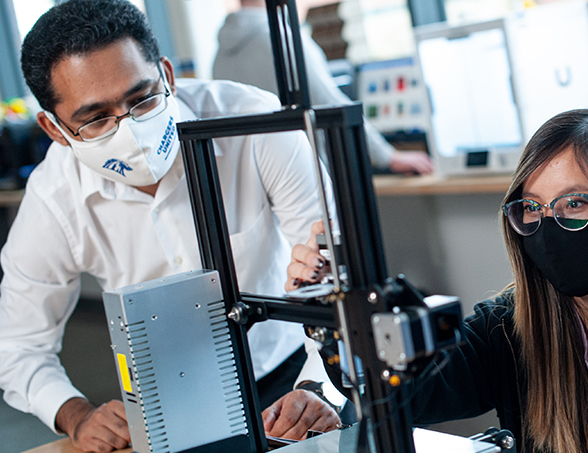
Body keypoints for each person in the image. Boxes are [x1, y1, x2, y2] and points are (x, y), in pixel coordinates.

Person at [288, 109, 588, 452]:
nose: (549, 227)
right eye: (532, 208)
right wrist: (337, 311)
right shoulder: (512, 325)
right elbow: (411, 391)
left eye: (575, 203)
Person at [0, 1, 340, 452]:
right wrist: (77, 416)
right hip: (165, 404)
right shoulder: (54, 199)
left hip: (291, 374)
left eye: (142, 98)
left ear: (167, 74)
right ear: (55, 129)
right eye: (96, 118)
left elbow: (339, 272)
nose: (132, 132)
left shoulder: (252, 122)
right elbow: (18, 347)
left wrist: (321, 387)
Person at [213, 0, 434, 176]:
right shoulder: (284, 40)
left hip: (260, 187)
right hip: (306, 181)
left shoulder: (219, 57)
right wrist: (388, 156)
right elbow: (331, 104)